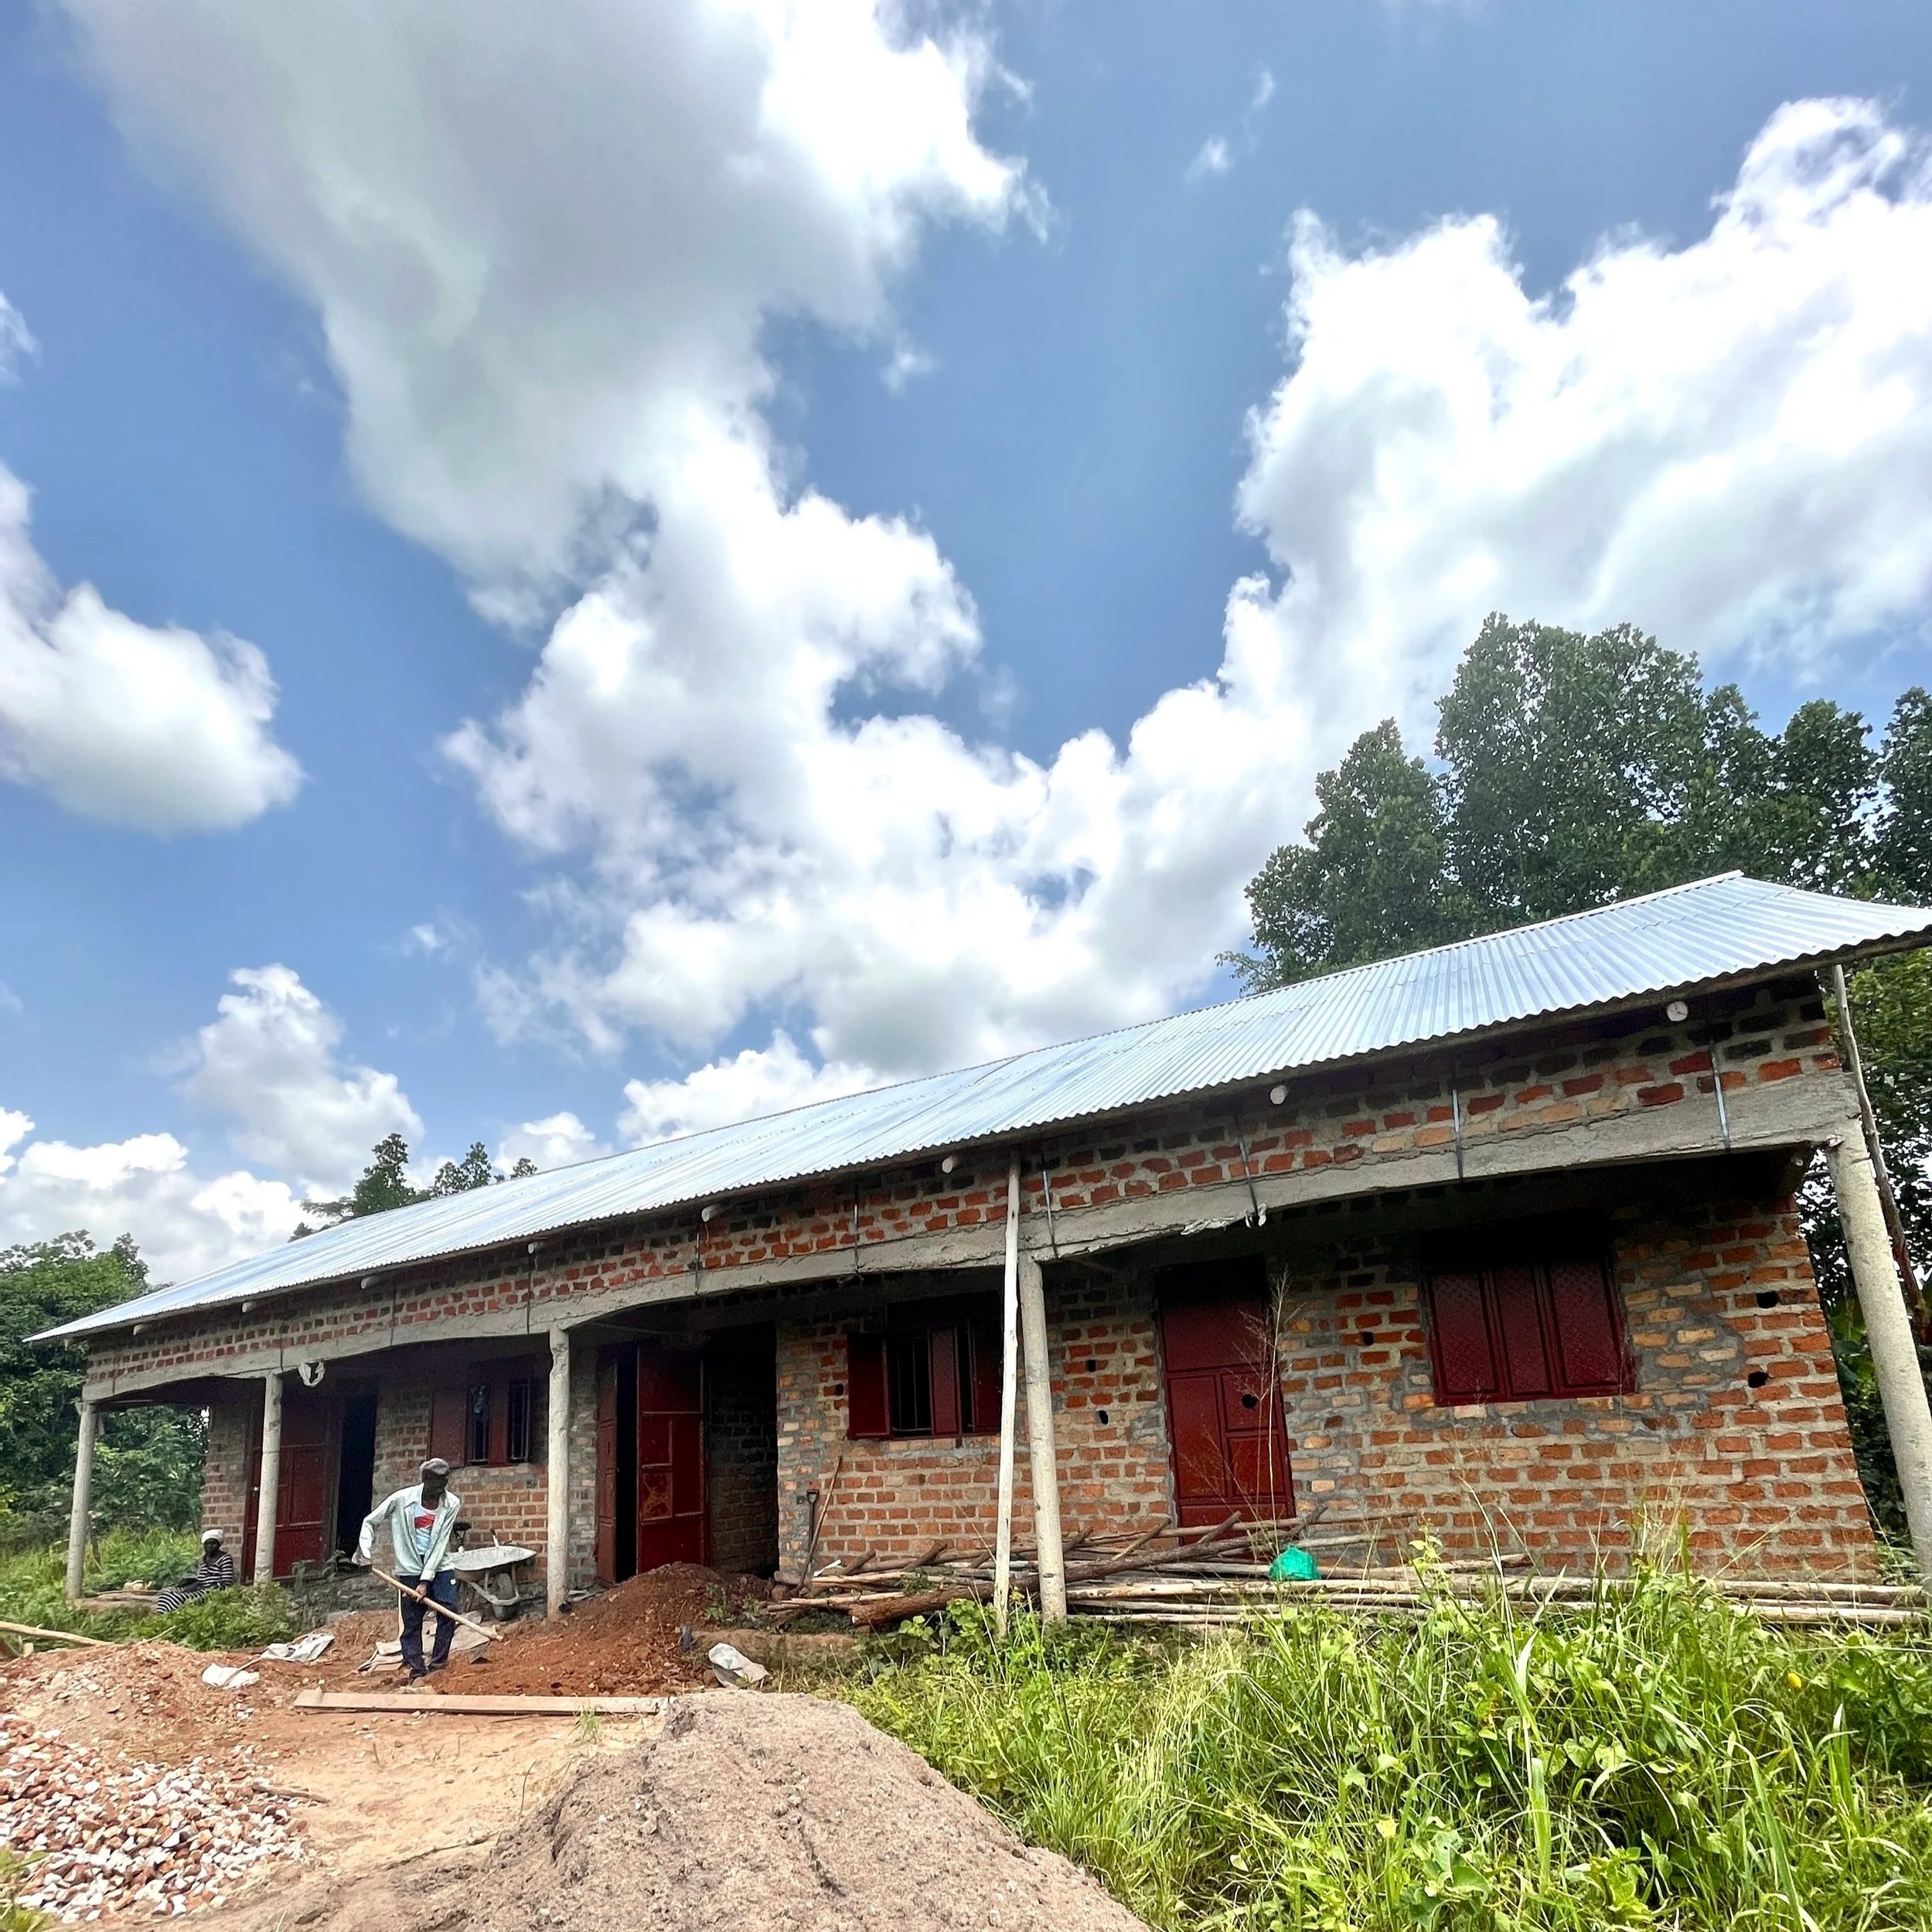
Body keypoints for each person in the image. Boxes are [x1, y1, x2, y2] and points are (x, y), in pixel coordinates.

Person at [355, 1457, 465, 1680]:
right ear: (425, 1480)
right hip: (409, 1569)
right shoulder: (402, 1499)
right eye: (436, 1484)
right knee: (412, 1620)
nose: (441, 1490)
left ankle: (438, 1665)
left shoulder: (451, 1503)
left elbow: (442, 1542)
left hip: (440, 1566)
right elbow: (370, 1522)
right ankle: (417, 1669)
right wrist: (364, 1551)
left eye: (444, 1484)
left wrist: (425, 1582)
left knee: (448, 1611)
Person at [154, 1529, 238, 1614]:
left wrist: (208, 1590)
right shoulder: (205, 1558)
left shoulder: (225, 1558)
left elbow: (226, 1582)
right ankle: (164, 1615)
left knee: (179, 1598)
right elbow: (200, 1580)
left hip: (211, 1591)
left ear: (219, 1545)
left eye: (213, 1543)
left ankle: (174, 1614)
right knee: (165, 1593)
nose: (210, 1546)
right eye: (207, 1544)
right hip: (199, 1588)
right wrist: (189, 1587)